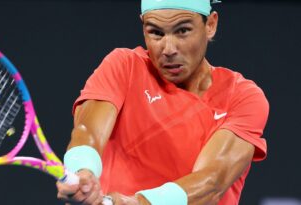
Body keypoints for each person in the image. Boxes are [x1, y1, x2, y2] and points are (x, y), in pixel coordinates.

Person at [56, 0, 269, 204]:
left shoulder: (242, 97)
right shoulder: (124, 66)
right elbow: (88, 132)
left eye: (182, 31)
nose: (168, 49)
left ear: (210, 24)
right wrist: (84, 171)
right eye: (156, 33)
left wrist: (140, 203)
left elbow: (212, 181)